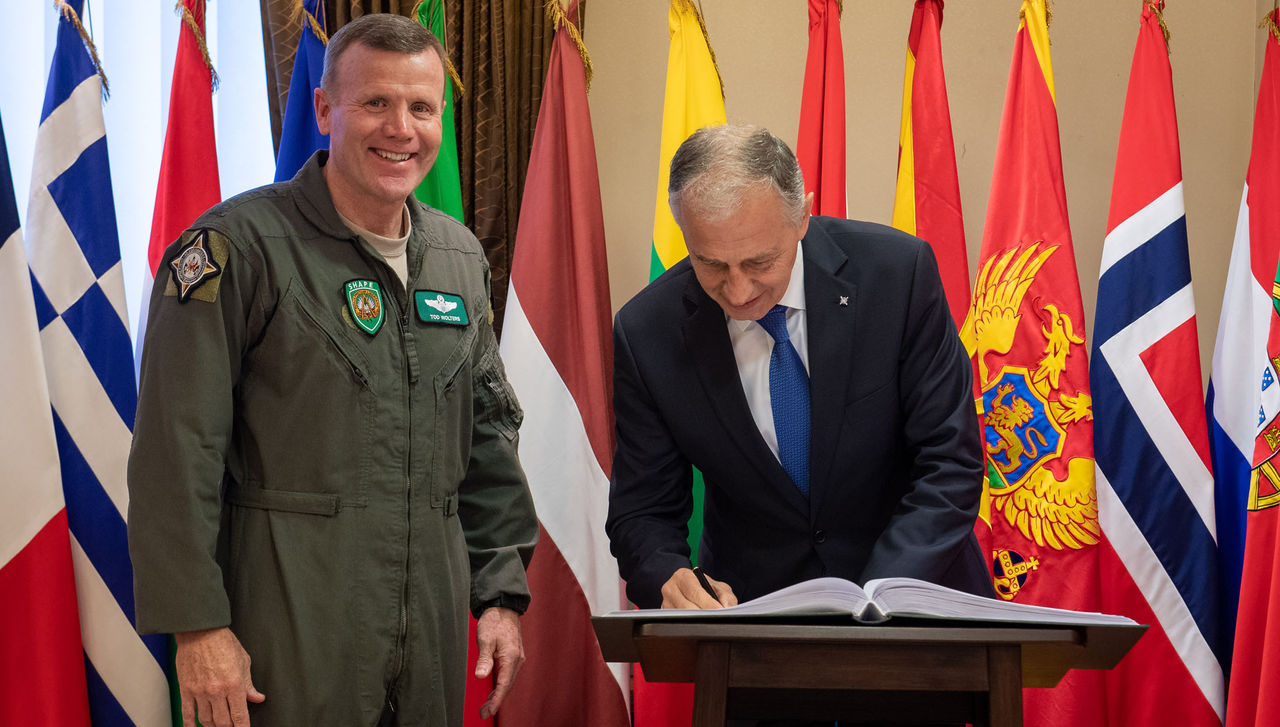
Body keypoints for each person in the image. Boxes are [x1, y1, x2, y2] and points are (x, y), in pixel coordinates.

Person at [127, 14, 538, 727]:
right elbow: (175, 447)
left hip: (428, 634)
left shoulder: (458, 257)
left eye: (421, 107)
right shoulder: (235, 248)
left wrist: (498, 594)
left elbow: (488, 437)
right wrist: (197, 626)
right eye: (375, 102)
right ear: (325, 109)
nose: (400, 128)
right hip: (287, 623)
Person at [606, 124, 991, 614]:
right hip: (757, 627)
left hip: (920, 609)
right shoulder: (647, 332)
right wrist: (665, 573)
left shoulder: (896, 275)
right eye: (711, 265)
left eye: (760, 261)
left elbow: (949, 462)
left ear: (804, 216)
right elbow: (643, 510)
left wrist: (875, 602)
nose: (739, 291)